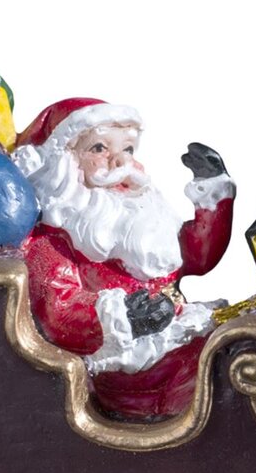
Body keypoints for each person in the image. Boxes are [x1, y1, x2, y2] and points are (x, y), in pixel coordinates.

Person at [12, 97, 235, 419]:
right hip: (131, 367)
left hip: (180, 333)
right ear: (63, 164)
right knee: (220, 375)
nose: (120, 162)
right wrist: (126, 316)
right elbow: (57, 310)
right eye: (99, 148)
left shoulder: (142, 218)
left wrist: (213, 196)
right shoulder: (53, 240)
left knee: (243, 340)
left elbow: (197, 256)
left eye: (128, 149)